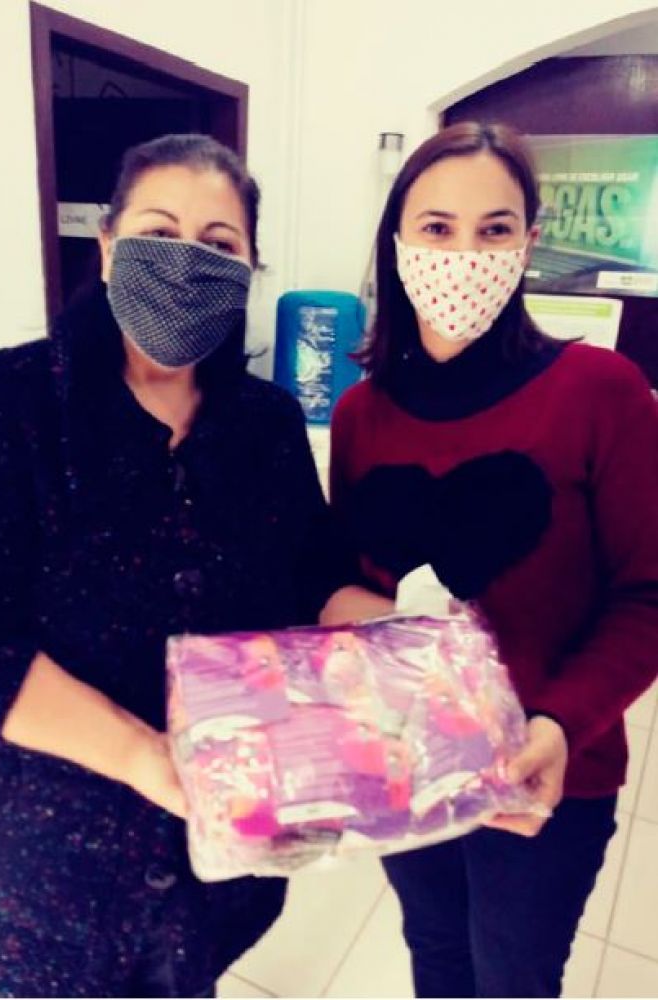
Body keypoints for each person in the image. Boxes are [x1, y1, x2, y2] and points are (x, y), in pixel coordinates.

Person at [0, 133, 354, 998]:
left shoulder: (264, 423)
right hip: (53, 888)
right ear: (110, 247)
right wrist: (142, 755)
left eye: (219, 245)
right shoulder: (10, 403)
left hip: (218, 875)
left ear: (248, 271)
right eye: (159, 232)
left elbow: (315, 577)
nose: (187, 264)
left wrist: (425, 669)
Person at [319, 121, 658, 998]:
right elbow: (348, 580)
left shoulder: (603, 394)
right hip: (408, 760)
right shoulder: (361, 414)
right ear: (398, 242)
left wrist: (556, 725)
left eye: (494, 229)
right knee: (435, 954)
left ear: (528, 242)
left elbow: (647, 596)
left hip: (549, 772)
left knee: (513, 978)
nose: (464, 254)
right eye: (437, 228)